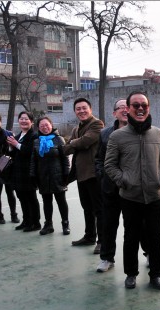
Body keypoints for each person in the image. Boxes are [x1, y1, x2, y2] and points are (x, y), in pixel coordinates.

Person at [104, 91, 160, 290]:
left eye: (144, 105)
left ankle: (156, 274)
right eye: (136, 105)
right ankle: (131, 274)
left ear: (148, 108)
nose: (140, 108)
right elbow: (109, 164)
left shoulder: (158, 134)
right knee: (131, 236)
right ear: (128, 109)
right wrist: (123, 180)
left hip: (155, 196)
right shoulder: (117, 136)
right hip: (130, 196)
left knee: (156, 236)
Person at [62, 97, 104, 253]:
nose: (81, 111)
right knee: (87, 208)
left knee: (99, 210)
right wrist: (77, 143)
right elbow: (66, 150)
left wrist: (74, 142)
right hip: (81, 175)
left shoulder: (97, 124)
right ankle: (89, 236)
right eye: (78, 109)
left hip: (94, 174)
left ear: (90, 109)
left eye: (84, 108)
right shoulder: (76, 129)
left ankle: (102, 241)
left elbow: (86, 142)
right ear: (75, 112)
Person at [95, 98, 129, 272]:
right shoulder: (104, 134)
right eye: (121, 107)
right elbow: (99, 159)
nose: (125, 109)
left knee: (139, 225)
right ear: (114, 113)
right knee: (109, 224)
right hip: (110, 188)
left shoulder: (142, 131)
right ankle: (107, 258)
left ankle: (147, 252)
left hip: (133, 188)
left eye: (127, 106)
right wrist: (102, 177)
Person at [30, 116, 71, 235]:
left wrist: (66, 174)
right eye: (42, 126)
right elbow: (33, 160)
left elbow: (65, 159)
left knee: (61, 201)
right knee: (46, 201)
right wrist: (32, 175)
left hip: (57, 176)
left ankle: (65, 224)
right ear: (38, 128)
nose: (45, 127)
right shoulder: (36, 141)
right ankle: (48, 225)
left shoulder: (59, 139)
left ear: (51, 125)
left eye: (46, 125)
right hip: (42, 176)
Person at [7, 111, 41, 231]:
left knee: (31, 198)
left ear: (31, 122)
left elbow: (30, 152)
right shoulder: (16, 137)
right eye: (21, 119)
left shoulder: (34, 136)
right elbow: (13, 154)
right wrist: (11, 147)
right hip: (17, 173)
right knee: (21, 198)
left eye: (26, 119)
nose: (23, 121)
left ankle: (35, 223)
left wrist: (16, 144)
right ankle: (26, 221)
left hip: (29, 173)